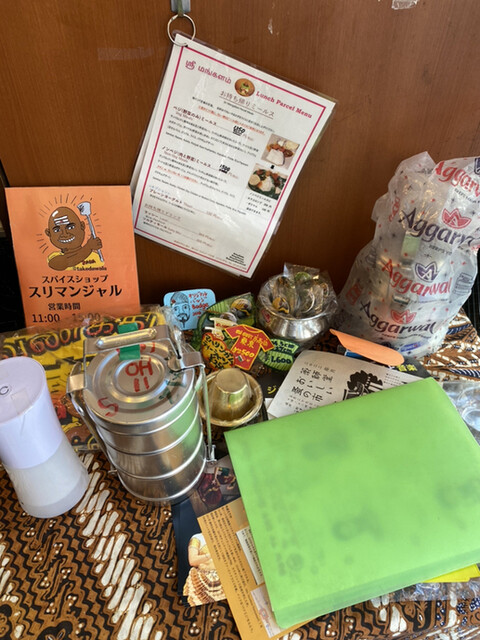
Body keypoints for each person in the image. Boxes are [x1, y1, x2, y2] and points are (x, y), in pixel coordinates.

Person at [45, 206, 103, 270]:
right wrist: (89, 247)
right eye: (57, 230)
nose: (65, 234)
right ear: (48, 233)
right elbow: (65, 262)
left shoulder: (96, 256)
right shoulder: (54, 256)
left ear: (82, 226)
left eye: (70, 227)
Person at [183, 533, 225, 606]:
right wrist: (211, 554)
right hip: (203, 580)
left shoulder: (223, 536)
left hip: (223, 578)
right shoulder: (197, 538)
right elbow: (192, 560)